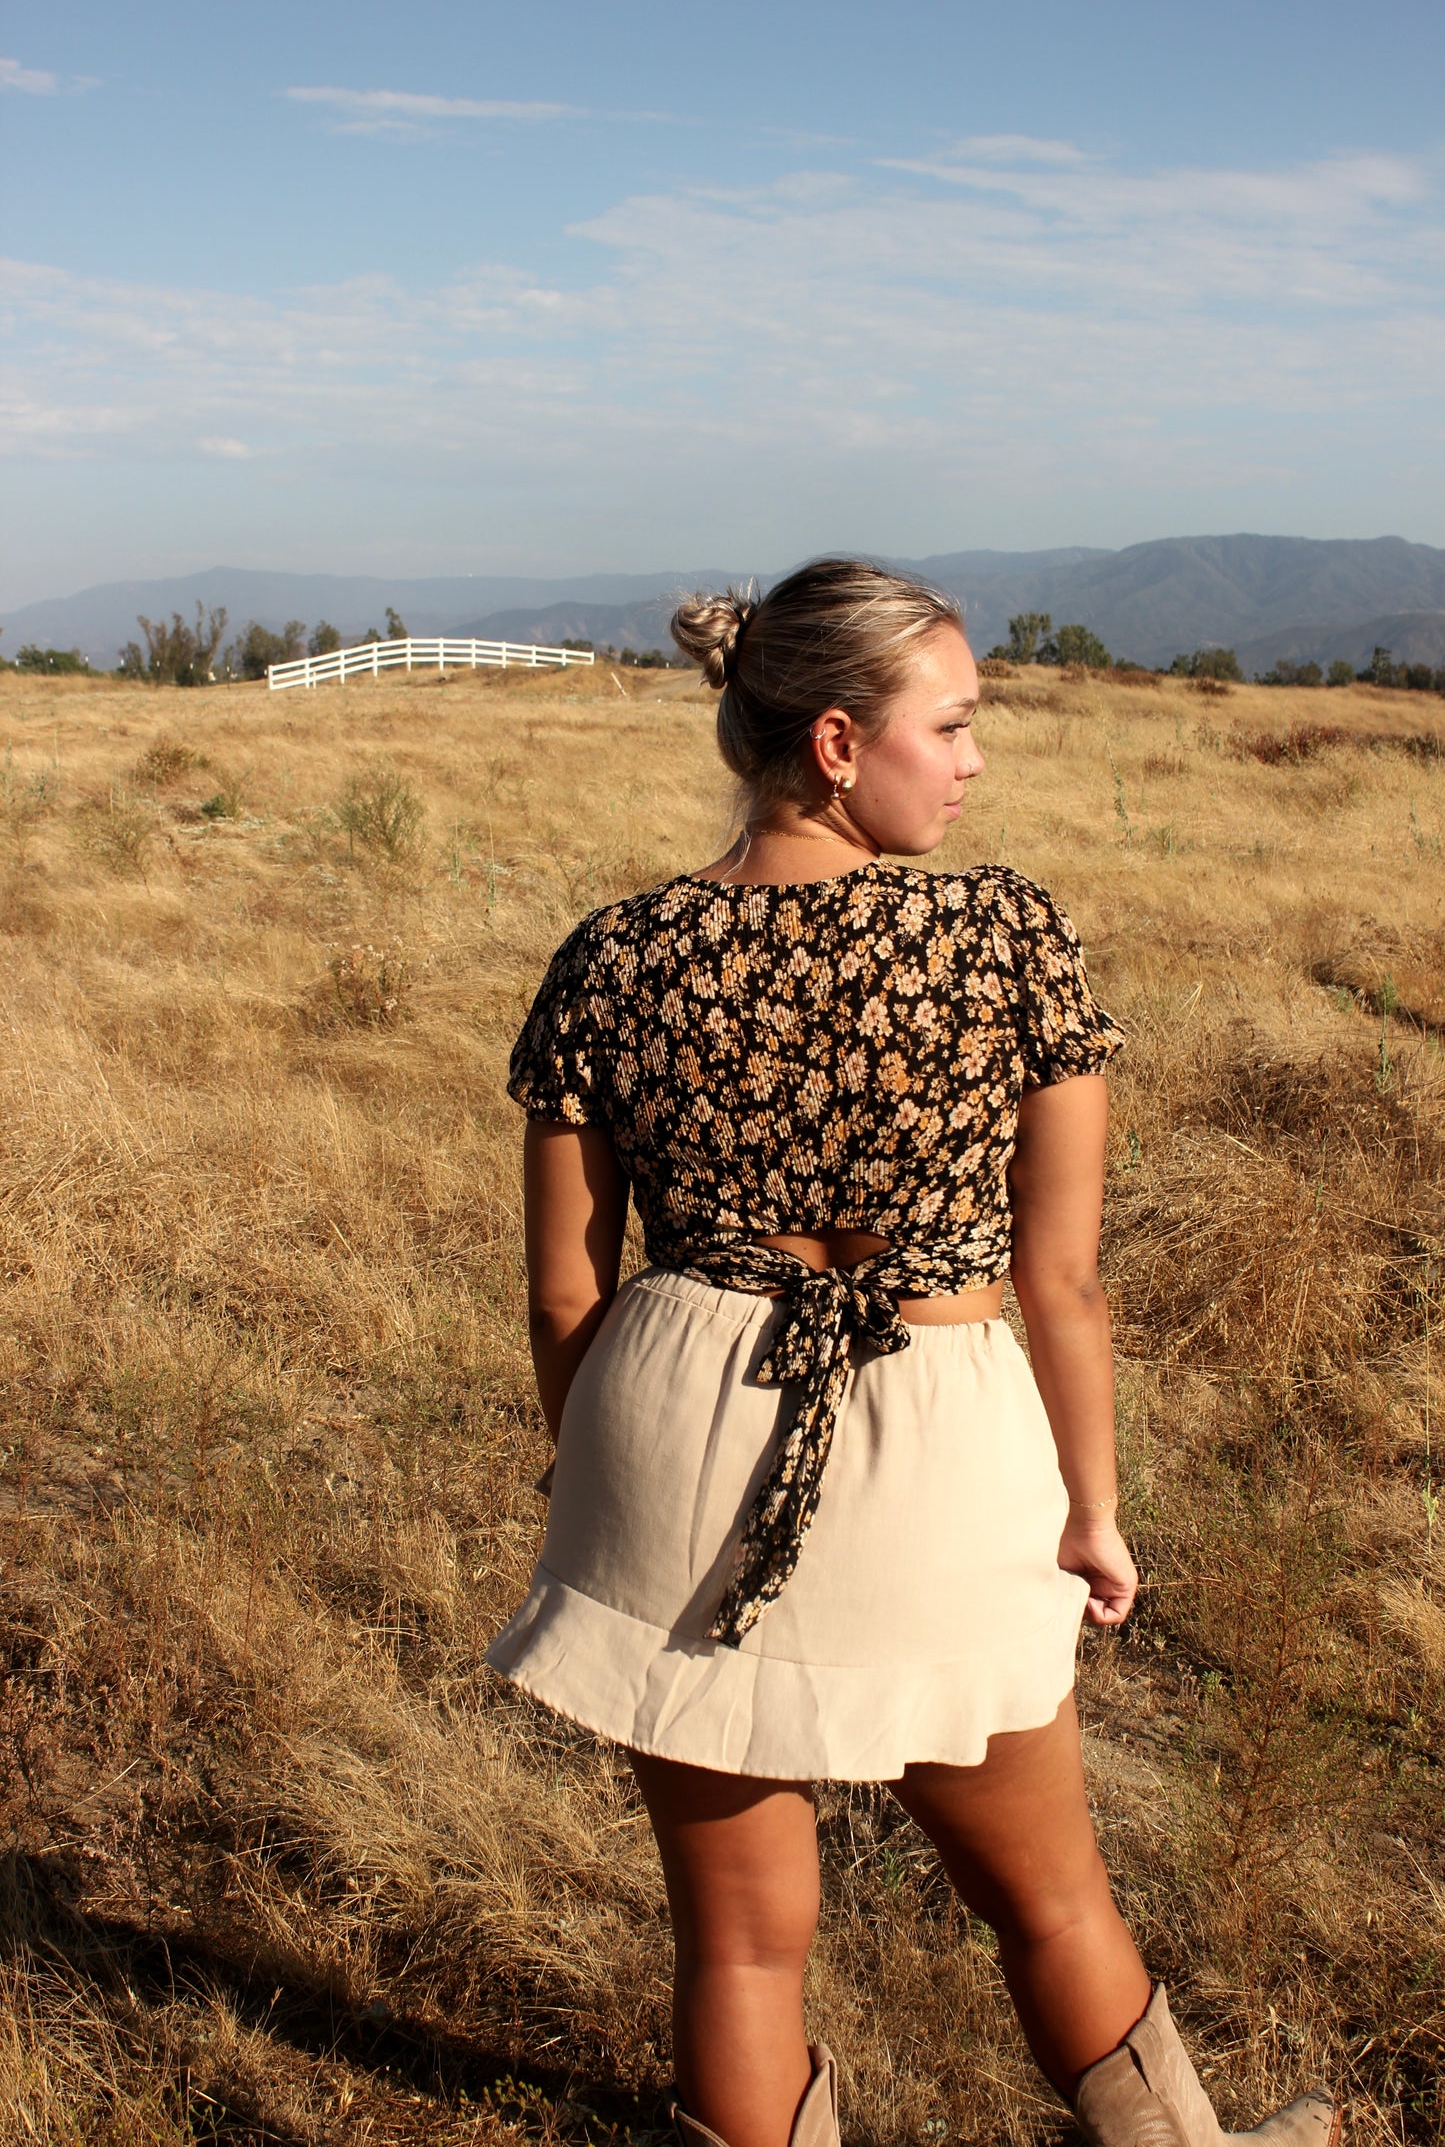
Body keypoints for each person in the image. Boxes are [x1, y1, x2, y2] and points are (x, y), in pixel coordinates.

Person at [486, 560, 1339, 2147]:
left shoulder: (611, 955)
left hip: (668, 1427)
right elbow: (1061, 1274)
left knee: (737, 1945)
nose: (972, 758)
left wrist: (594, 1470)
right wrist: (1091, 1510)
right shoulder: (1002, 932)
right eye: (948, 725)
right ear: (831, 741)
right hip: (936, 1437)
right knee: (1050, 1902)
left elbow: (560, 1295)